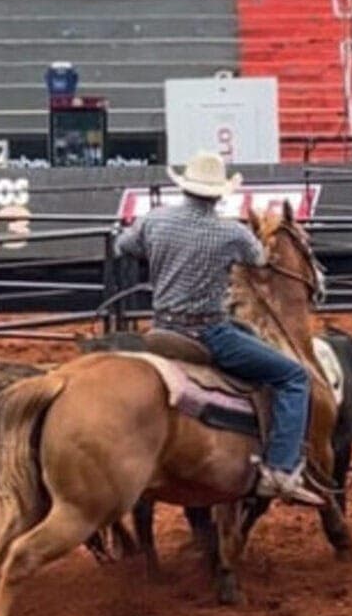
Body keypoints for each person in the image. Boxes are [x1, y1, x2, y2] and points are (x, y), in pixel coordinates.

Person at [113, 151, 320, 503]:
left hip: (163, 327)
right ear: (218, 194)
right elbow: (258, 258)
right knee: (294, 377)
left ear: (186, 188)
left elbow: (123, 245)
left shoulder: (155, 220)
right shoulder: (230, 233)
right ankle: (280, 470)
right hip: (208, 333)